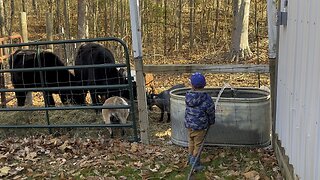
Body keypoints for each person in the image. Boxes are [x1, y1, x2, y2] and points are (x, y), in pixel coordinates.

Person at [185, 72, 215, 171]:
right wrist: (211, 121)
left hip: (189, 125)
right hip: (200, 127)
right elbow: (210, 111)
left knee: (191, 141)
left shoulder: (188, 96)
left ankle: (190, 158)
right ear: (204, 84)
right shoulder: (206, 98)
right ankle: (195, 163)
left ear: (192, 85)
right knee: (198, 144)